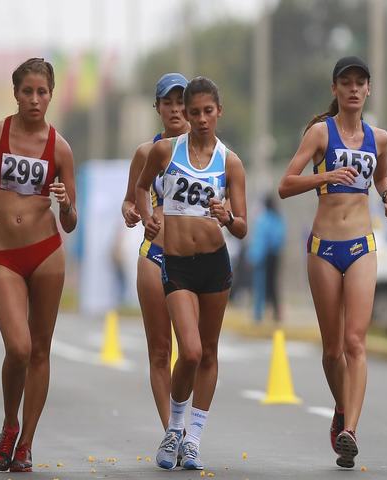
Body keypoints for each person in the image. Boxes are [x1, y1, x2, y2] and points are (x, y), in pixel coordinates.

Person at [0, 58, 77, 473]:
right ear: (16, 93)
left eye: (42, 92)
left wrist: (66, 203)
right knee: (18, 347)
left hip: (46, 252)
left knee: (40, 350)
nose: (35, 100)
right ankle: (9, 423)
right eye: (28, 92)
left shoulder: (60, 148)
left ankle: (25, 443)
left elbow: (72, 222)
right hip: (3, 254)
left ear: (51, 95)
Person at [278, 56, 387, 469]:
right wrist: (324, 177)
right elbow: (285, 185)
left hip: (362, 244)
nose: (352, 89)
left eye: (359, 82)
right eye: (344, 82)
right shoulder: (319, 133)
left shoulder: (378, 137)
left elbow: (380, 176)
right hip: (324, 248)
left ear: (368, 90)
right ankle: (342, 410)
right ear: (335, 89)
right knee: (332, 351)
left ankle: (350, 431)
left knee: (355, 343)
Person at [135, 76, 247, 471]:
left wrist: (227, 215)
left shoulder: (230, 161)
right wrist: (148, 218)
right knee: (191, 351)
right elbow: (139, 188)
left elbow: (242, 227)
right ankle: (174, 429)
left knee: (209, 354)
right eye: (193, 111)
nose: (199, 118)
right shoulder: (164, 151)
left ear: (219, 112)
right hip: (176, 264)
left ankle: (193, 440)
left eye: (206, 111)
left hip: (214, 264)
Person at [121, 72, 189, 430]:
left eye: (182, 102)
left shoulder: (210, 153)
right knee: (161, 351)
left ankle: (188, 427)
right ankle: (171, 431)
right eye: (168, 102)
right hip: (155, 253)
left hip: (196, 259)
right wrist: (133, 212)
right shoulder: (147, 152)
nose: (176, 109)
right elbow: (131, 199)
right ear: (157, 107)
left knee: (194, 352)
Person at [247, 193, 286, 323]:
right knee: (272, 285)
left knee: (260, 285)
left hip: (263, 256)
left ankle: (259, 314)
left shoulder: (263, 219)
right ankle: (275, 313)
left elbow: (258, 240)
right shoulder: (277, 218)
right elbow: (278, 238)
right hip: (273, 255)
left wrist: (253, 256)